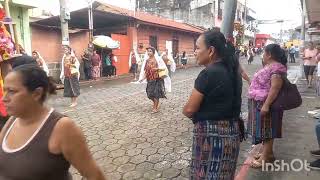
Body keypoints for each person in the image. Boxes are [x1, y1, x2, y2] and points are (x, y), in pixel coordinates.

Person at [0, 64, 105, 180]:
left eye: (12, 91)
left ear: (36, 94)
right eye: (4, 90)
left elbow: (95, 175)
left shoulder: (62, 128)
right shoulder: (12, 121)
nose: (4, 98)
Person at [183, 30, 242, 179]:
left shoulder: (208, 73)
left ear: (210, 51)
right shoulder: (233, 70)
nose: (195, 52)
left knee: (206, 174)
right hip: (232, 134)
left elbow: (189, 110)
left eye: (197, 48)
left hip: (210, 138)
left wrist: (184, 109)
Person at [247, 44, 288, 168]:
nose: (262, 55)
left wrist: (266, 105)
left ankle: (265, 159)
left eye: (264, 53)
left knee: (267, 130)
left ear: (269, 54)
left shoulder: (276, 69)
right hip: (260, 101)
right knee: (265, 129)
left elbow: (275, 88)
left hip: (265, 103)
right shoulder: (272, 66)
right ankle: (268, 154)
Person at [138, 47, 170, 113]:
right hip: (150, 80)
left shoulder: (158, 59)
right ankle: (156, 103)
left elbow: (164, 68)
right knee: (149, 94)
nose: (149, 52)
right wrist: (142, 78)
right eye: (148, 51)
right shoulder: (147, 60)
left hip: (157, 79)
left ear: (153, 52)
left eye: (150, 51)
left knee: (156, 94)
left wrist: (157, 69)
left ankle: (155, 107)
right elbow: (146, 71)